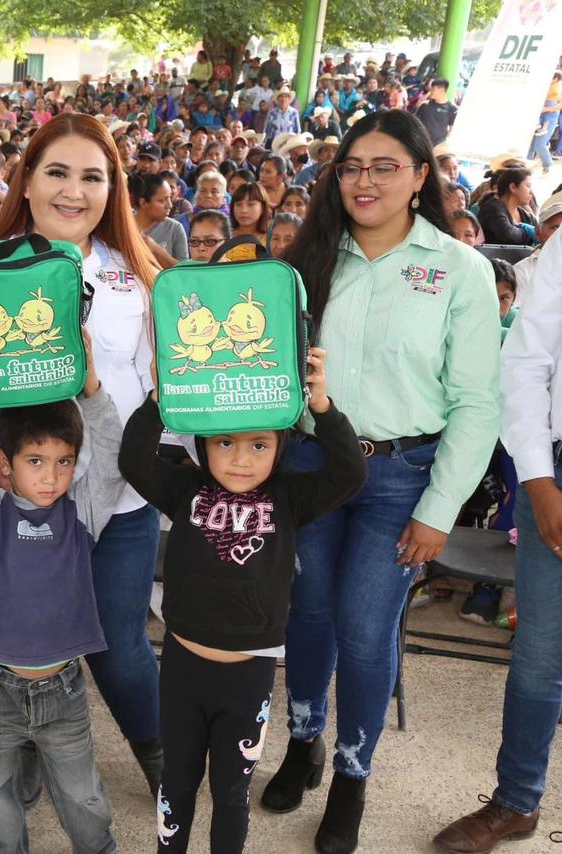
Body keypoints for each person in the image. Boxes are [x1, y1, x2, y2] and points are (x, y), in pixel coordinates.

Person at [262, 109, 501, 854]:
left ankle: (352, 775)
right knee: (306, 614)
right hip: (311, 466)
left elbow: (477, 401)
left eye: (385, 166)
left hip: (403, 477)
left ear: (421, 175)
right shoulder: (306, 263)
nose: (365, 181)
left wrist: (440, 509)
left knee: (364, 632)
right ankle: (304, 743)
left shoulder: (458, 268)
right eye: (352, 166)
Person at [0, 112, 168, 798]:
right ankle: (30, 741)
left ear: (112, 189)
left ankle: (161, 753)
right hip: (22, 500)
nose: (73, 191)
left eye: (92, 177)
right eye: (57, 172)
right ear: (26, 181)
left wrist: (162, 469)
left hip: (121, 498)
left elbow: (158, 389)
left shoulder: (139, 279)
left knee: (119, 642)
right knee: (28, 639)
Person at [121, 348, 365, 854]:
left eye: (259, 444)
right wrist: (159, 398)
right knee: (176, 785)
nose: (240, 459)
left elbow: (350, 474)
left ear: (280, 448)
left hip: (248, 675)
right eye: (225, 442)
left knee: (231, 793)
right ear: (203, 444)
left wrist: (322, 407)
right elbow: (133, 460)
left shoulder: (290, 497)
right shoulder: (184, 488)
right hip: (183, 669)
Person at [0, 334, 127, 853]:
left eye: (64, 462)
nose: (51, 476)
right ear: (6, 461)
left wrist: (90, 385)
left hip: (62, 694)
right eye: (36, 461)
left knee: (85, 803)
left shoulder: (82, 512)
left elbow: (112, 456)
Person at [431, 216, 562, 854]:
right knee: (540, 656)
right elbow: (527, 364)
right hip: (556, 475)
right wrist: (538, 480)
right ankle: (516, 800)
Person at [132, 171, 188, 262]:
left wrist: (157, 251)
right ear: (143, 203)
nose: (169, 205)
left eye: (170, 198)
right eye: (162, 201)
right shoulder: (122, 227)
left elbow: (184, 269)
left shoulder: (175, 228)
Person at [478, 168, 538, 246]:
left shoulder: (527, 217)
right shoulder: (491, 209)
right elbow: (508, 235)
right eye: (528, 186)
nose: (531, 192)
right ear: (513, 187)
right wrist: (535, 235)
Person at [416, 79, 457, 146]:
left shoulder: (452, 109)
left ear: (441, 91)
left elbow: (452, 128)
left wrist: (443, 141)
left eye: (433, 89)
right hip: (421, 143)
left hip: (437, 145)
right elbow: (415, 121)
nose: (430, 91)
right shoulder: (425, 105)